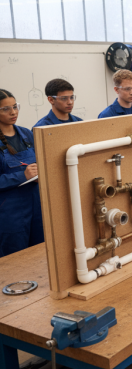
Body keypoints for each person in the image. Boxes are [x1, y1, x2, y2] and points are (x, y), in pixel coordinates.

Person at [0, 90, 43, 257]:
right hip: (11, 215)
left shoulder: (27, 134)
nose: (13, 112)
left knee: (40, 255)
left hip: (37, 208)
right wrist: (22, 176)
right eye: (6, 109)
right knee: (15, 259)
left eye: (15, 106)